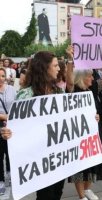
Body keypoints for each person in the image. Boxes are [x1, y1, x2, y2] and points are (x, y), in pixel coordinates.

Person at [1, 51, 64, 199]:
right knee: (46, 196)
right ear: (44, 68)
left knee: (57, 193)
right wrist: (10, 132)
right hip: (40, 159)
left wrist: (89, 119)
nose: (59, 68)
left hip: (60, 157)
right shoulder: (26, 95)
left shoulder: (59, 92)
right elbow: (17, 125)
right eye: (55, 65)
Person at [68, 69, 102, 200]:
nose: (92, 79)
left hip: (93, 133)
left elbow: (97, 111)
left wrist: (97, 116)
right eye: (90, 76)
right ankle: (81, 195)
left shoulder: (90, 92)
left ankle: (87, 189)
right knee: (80, 166)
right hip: (79, 136)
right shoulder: (73, 92)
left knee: (93, 162)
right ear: (82, 77)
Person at [0, 67, 16, 195]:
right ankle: (0, 180)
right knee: (0, 154)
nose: (0, 78)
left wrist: (12, 117)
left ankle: (11, 175)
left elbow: (16, 105)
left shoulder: (11, 89)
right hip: (0, 123)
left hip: (11, 124)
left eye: (2, 76)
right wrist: (4, 116)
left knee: (10, 150)